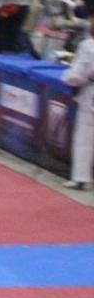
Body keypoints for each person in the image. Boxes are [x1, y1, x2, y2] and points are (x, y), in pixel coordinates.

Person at [61, 20, 94, 190]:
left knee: (85, 136)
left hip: (91, 95)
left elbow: (77, 75)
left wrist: (67, 76)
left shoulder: (88, 45)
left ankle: (82, 178)